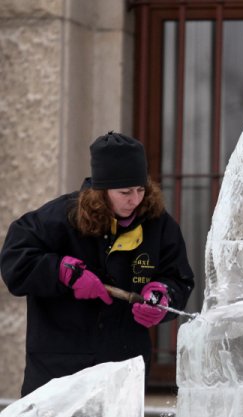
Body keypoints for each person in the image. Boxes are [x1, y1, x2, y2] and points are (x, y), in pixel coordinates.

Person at [0, 131, 195, 397]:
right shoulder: (59, 218)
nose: (135, 200)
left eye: (140, 190)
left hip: (122, 369)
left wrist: (164, 296)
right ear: (101, 191)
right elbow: (14, 262)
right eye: (125, 192)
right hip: (58, 371)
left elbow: (179, 279)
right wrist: (61, 273)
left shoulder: (159, 225)